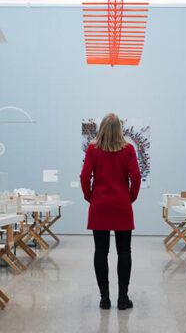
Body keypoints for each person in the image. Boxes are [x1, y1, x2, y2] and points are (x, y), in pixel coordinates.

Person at [80, 113, 141, 310]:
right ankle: (123, 298)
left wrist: (89, 196)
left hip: (99, 206)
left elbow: (84, 176)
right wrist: (130, 197)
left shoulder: (92, 149)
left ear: (103, 129)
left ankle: (104, 298)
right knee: (124, 251)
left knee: (101, 251)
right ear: (120, 131)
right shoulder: (129, 149)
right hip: (122, 205)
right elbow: (136, 177)